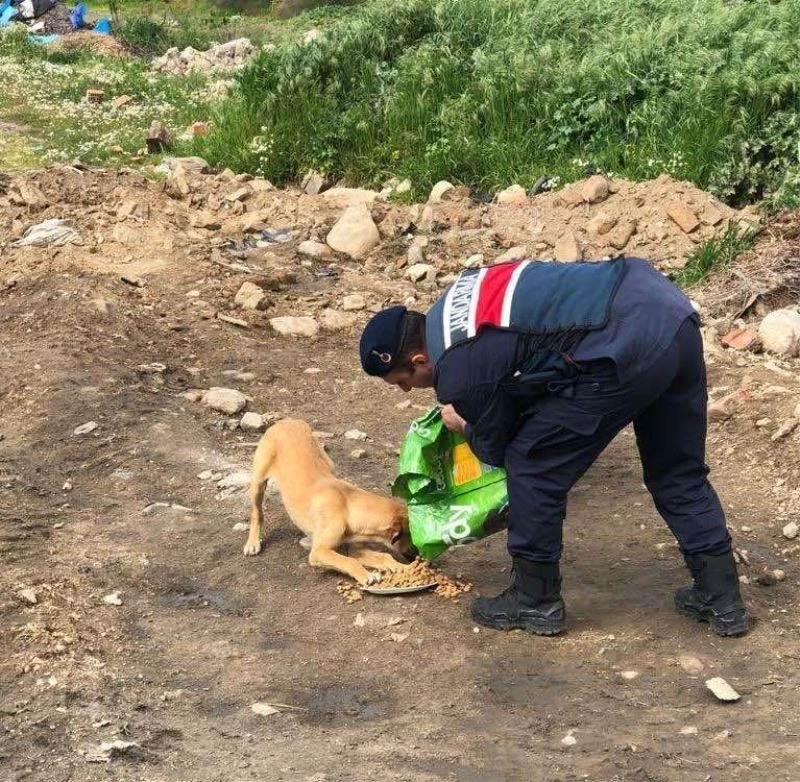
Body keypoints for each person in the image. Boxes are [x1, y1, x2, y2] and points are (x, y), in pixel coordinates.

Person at [359, 257, 748, 637]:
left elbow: (496, 448)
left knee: (532, 465)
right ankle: (722, 598)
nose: (409, 390)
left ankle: (534, 601)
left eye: (402, 381)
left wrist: (463, 423)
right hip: (668, 311)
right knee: (677, 470)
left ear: (418, 359)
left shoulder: (457, 371)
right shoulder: (456, 298)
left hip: (623, 343)